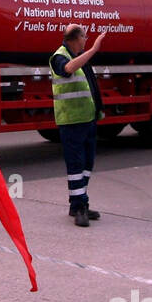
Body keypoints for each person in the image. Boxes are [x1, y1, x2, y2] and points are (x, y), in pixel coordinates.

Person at [51, 26, 107, 226]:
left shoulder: (81, 57)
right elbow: (68, 69)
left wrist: (98, 108)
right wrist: (94, 50)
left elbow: (92, 85)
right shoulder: (59, 57)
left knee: (87, 163)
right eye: (84, 36)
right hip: (71, 121)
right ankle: (80, 207)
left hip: (87, 119)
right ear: (76, 38)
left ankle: (78, 203)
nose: (86, 39)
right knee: (76, 166)